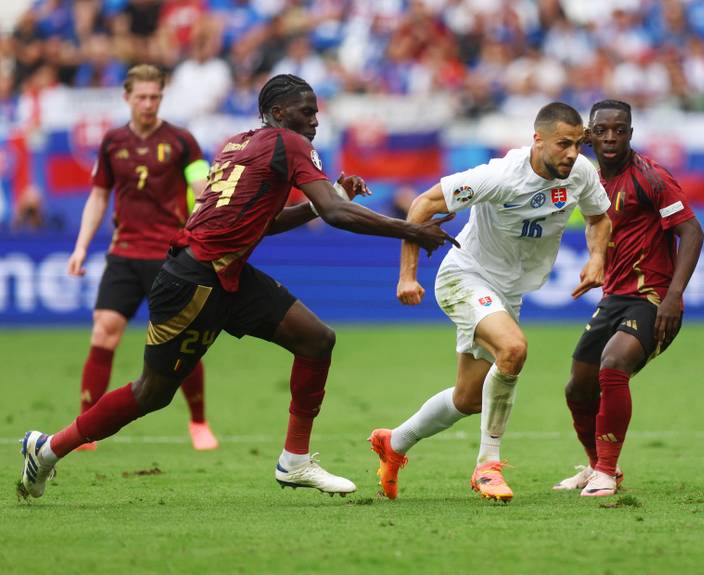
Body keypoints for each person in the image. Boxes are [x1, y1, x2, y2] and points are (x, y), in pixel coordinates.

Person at [18, 74, 458, 501]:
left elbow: (265, 223)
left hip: (224, 275)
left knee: (316, 339)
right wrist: (411, 230)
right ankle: (49, 448)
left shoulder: (238, 143)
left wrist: (331, 200)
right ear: (279, 112)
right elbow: (334, 215)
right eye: (308, 112)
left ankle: (295, 459)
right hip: (193, 280)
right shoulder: (290, 144)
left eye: (317, 113)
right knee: (150, 393)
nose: (316, 121)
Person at [369, 102, 612, 502]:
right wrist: (408, 275)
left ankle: (394, 443)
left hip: (507, 292)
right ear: (537, 140)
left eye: (578, 144)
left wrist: (597, 257)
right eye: (563, 144)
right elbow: (423, 205)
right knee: (513, 349)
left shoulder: (581, 173)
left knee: (467, 398)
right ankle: (488, 466)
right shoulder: (499, 176)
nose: (572, 153)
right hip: (464, 277)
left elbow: (599, 217)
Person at [553, 99, 704, 497]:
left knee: (614, 363)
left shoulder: (652, 178)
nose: (610, 137)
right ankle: (595, 467)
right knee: (577, 388)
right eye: (601, 130)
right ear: (589, 133)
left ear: (630, 134)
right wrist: (596, 262)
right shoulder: (585, 178)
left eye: (619, 129)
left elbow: (692, 233)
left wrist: (674, 296)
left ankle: (606, 470)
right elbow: (594, 223)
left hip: (653, 300)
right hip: (614, 298)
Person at [67, 64, 218, 451]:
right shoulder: (112, 142)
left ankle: (199, 422)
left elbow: (200, 183)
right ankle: (86, 429)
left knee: (181, 342)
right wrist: (82, 246)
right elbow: (99, 196)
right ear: (127, 98)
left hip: (170, 257)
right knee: (103, 331)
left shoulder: (183, 141)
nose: (148, 104)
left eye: (155, 97)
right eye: (142, 97)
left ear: (161, 98)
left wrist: (206, 201)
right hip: (123, 253)